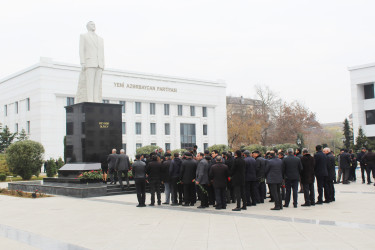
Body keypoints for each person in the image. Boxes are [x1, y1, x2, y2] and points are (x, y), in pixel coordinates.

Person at [77, 21, 105, 103]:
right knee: (90, 82)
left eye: (94, 24)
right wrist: (82, 62)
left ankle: (96, 99)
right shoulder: (84, 36)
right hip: (90, 62)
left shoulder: (100, 39)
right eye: (92, 24)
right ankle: (90, 99)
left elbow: (102, 52)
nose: (94, 26)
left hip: (99, 64)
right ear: (88, 26)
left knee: (97, 83)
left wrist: (103, 63)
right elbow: (81, 50)